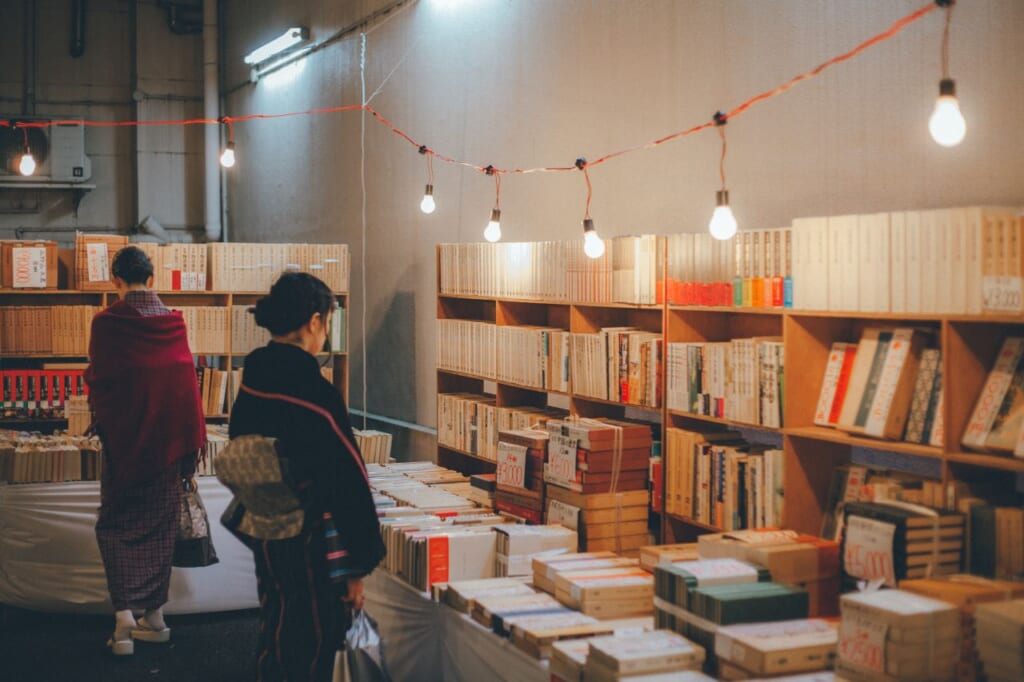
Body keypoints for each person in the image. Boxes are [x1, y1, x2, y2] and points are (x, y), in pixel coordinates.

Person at [228, 272, 385, 682]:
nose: (325, 335)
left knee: (277, 621)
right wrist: (360, 563)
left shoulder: (253, 379)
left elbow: (239, 448)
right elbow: (347, 480)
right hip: (308, 538)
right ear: (314, 321)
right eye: (328, 324)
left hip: (266, 526)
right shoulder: (313, 391)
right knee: (314, 637)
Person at [85, 245, 206, 656]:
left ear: (116, 280)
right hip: (169, 447)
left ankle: (123, 622)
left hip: (124, 446)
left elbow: (99, 382)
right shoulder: (174, 323)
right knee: (159, 529)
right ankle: (154, 617)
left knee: (115, 526)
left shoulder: (106, 323)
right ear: (151, 279)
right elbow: (186, 385)